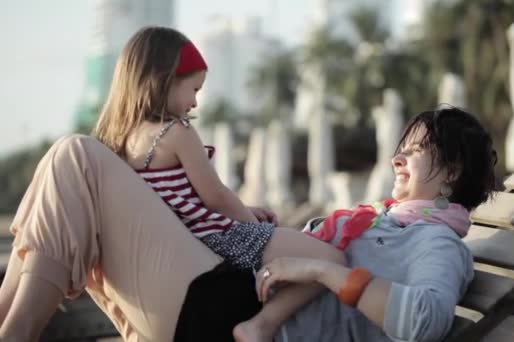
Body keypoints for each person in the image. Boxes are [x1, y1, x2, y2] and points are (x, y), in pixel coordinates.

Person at [0, 26, 345, 342]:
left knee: (66, 155)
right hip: (210, 271)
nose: (195, 102)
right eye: (193, 89)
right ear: (164, 80)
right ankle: (263, 324)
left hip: (197, 287)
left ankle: (13, 326)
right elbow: (216, 196)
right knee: (332, 258)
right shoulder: (176, 132)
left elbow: (181, 202)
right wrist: (250, 220)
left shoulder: (119, 146)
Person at [255, 106, 497, 341]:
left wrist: (322, 270)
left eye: (415, 150)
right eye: (402, 150)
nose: (397, 159)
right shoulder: (384, 218)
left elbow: (425, 319)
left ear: (451, 172)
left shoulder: (438, 242)